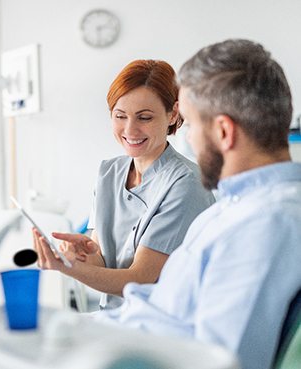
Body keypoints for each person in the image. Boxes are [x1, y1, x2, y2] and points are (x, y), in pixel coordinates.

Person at [90, 39, 301, 369]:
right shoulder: (230, 208)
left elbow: (222, 360)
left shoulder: (267, 224)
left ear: (223, 132)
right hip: (120, 338)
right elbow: (158, 304)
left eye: (189, 123)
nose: (186, 137)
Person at [34, 60, 215, 309]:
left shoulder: (186, 183)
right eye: (120, 116)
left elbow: (138, 280)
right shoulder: (109, 173)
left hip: (160, 329)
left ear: (173, 114)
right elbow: (102, 262)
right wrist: (84, 255)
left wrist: (70, 268)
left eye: (145, 117)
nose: (130, 129)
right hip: (115, 319)